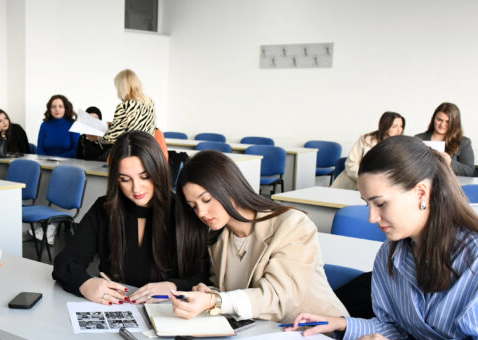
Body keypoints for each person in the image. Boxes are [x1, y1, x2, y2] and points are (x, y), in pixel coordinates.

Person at [289, 136, 478, 340]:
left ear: (421, 193)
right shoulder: (390, 255)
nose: (372, 217)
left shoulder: (477, 259)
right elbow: (397, 329)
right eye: (367, 204)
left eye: (380, 203)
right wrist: (342, 324)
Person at [169, 150, 348, 322]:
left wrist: (215, 301)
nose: (201, 212)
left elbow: (277, 298)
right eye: (193, 206)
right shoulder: (218, 238)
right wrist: (209, 293)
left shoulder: (293, 225)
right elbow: (230, 291)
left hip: (320, 334)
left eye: (206, 200)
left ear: (229, 187)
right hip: (264, 335)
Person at [52, 131, 202, 304]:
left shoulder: (183, 211)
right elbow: (65, 262)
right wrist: (85, 283)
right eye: (125, 179)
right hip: (117, 308)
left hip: (171, 311)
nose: (136, 189)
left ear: (159, 170)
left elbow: (203, 276)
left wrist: (174, 285)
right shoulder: (104, 208)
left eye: (145, 177)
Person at [90, 70, 158, 156]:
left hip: (132, 153)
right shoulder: (149, 102)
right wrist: (114, 124)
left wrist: (96, 138)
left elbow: (113, 137)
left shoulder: (124, 106)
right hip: (148, 152)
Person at [332, 111, 405, 190]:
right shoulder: (366, 140)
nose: (399, 130)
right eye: (395, 126)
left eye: (401, 126)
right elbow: (351, 164)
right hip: (355, 182)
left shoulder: (402, 145)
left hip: (383, 187)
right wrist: (364, 179)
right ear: (385, 127)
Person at [415, 102, 474, 176]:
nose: (442, 124)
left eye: (447, 122)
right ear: (433, 119)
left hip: (450, 185)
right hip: (423, 182)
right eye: (439, 120)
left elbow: (469, 171)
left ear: (454, 123)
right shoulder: (418, 138)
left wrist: (450, 163)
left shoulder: (463, 142)